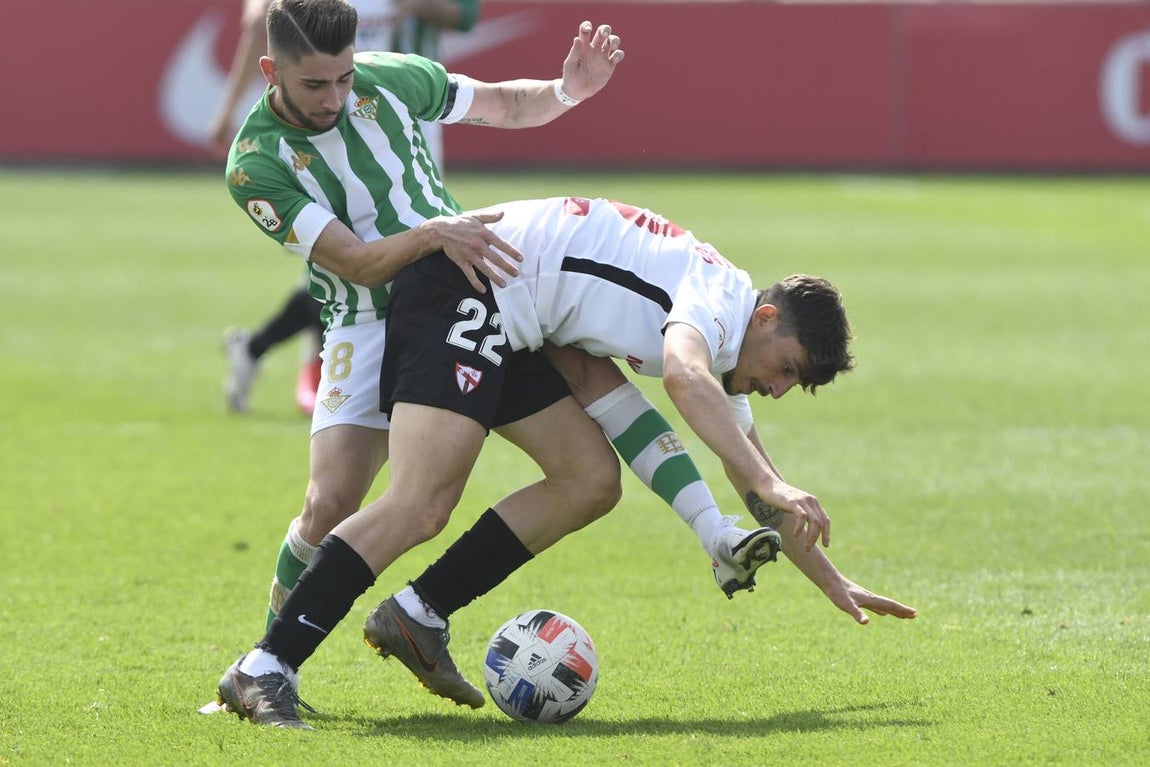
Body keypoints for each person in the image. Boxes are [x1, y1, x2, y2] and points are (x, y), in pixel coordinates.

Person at [205, 0, 779, 723]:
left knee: (586, 478)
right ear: (271, 72)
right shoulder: (255, 164)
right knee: (332, 504)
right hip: (367, 317)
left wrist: (567, 91)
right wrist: (434, 231)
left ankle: (389, 623)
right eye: (315, 85)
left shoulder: (389, 77)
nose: (335, 98)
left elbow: (504, 103)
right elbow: (356, 262)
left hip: (466, 286)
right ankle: (268, 661)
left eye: (344, 78)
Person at [214, 196, 917, 728]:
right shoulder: (717, 305)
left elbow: (759, 483)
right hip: (466, 287)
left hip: (524, 324)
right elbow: (683, 380)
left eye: (796, 383)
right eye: (788, 368)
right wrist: (765, 482)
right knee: (420, 503)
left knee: (590, 480)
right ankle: (265, 665)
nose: (780, 388)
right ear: (767, 318)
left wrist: (831, 580)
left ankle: (417, 613)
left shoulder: (729, 335)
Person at [212, 0, 482, 415]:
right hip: (331, 125)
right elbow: (258, 24)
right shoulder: (303, 21)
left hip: (405, 119)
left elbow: (465, 16)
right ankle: (325, 370)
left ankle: (267, 351)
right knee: (346, 258)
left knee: (389, 252)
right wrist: (230, 109)